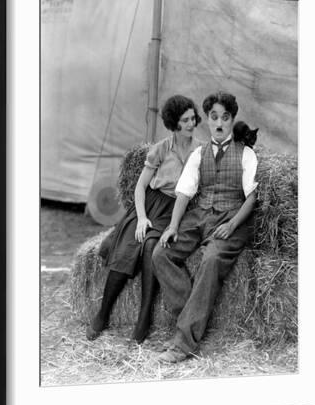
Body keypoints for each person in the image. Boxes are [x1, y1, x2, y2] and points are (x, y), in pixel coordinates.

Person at [86, 95, 203, 344]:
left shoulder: (201, 151)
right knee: (128, 246)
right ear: (174, 123)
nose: (191, 124)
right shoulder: (160, 149)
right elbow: (140, 187)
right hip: (151, 203)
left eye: (193, 118)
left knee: (152, 246)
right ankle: (103, 313)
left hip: (176, 208)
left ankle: (144, 317)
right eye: (185, 120)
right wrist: (140, 218)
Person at [152, 91, 258, 363]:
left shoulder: (246, 154)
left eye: (225, 117)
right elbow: (184, 193)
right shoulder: (198, 154)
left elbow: (253, 196)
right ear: (207, 121)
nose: (219, 123)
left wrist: (233, 225)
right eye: (214, 117)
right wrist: (173, 226)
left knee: (210, 260)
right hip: (200, 216)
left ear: (232, 119)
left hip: (233, 218)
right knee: (160, 253)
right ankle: (190, 318)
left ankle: (183, 343)